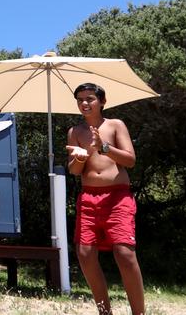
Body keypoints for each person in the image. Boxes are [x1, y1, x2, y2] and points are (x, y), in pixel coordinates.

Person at [66, 83, 145, 315]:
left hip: (117, 196)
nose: (84, 103)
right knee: (85, 254)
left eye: (90, 98)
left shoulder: (115, 125)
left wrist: (104, 147)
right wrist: (83, 156)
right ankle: (104, 312)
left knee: (125, 253)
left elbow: (130, 160)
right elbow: (74, 170)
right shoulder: (74, 131)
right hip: (89, 197)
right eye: (80, 99)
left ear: (102, 101)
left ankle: (139, 313)